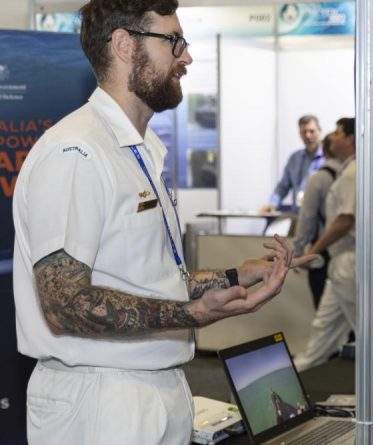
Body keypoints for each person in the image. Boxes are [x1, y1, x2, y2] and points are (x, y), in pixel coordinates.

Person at [11, 1, 312, 443]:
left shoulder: (141, 149)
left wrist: (234, 278)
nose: (186, 56)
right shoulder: (76, 151)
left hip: (151, 388)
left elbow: (142, 284)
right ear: (124, 45)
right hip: (102, 401)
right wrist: (191, 313)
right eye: (173, 41)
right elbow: (63, 304)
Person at [293, 117, 373, 371]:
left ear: (350, 139)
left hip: (352, 262)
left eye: (337, 132)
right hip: (345, 263)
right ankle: (304, 370)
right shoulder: (353, 171)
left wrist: (312, 250)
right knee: (324, 328)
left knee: (370, 332)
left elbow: (345, 219)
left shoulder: (355, 173)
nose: (331, 138)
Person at [293, 133, 342, 308]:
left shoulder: (319, 178)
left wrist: (299, 252)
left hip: (323, 252)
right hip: (352, 252)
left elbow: (307, 218)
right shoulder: (359, 176)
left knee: (324, 310)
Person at [264, 115, 324, 212]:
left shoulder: (329, 158)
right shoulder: (295, 158)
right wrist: (272, 204)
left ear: (320, 131)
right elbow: (282, 187)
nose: (308, 135)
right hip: (298, 215)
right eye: (304, 132)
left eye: (311, 131)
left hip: (320, 217)